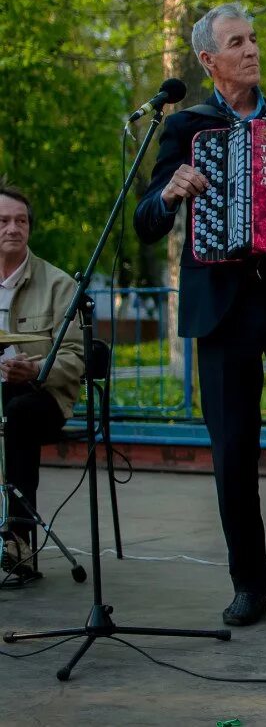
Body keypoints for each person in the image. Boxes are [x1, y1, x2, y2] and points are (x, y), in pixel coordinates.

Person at [134, 3, 266, 629]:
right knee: (233, 451)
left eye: (253, 38)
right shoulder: (185, 129)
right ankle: (249, 583)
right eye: (236, 42)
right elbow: (147, 221)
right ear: (209, 60)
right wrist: (170, 191)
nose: (251, 50)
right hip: (221, 309)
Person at [0, 186, 84, 586]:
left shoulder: (58, 284)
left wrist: (34, 370)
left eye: (21, 221)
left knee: (17, 411)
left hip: (43, 398)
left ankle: (19, 544)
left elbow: (76, 359)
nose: (13, 228)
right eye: (3, 221)